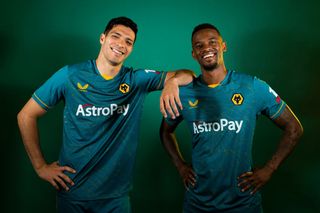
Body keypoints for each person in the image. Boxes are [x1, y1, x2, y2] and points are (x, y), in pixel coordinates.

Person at [17, 17, 193, 213]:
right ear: (103, 38)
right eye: (116, 36)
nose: (121, 44)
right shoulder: (70, 75)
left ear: (132, 48)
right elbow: (26, 115)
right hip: (72, 192)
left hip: (115, 199)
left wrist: (172, 82)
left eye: (128, 42)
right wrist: (40, 167)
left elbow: (188, 75)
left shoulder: (136, 80)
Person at [160, 23, 303, 212]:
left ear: (223, 46)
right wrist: (180, 166)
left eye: (212, 42)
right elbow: (165, 132)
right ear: (194, 54)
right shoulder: (185, 93)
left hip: (243, 204)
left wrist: (269, 169)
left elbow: (294, 128)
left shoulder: (252, 87)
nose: (206, 48)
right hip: (197, 204)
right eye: (199, 45)